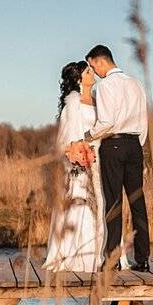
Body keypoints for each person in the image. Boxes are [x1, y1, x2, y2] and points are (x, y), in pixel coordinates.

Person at [68, 44, 150, 272]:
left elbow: (107, 122)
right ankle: (143, 259)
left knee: (113, 203)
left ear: (100, 61)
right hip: (135, 145)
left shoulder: (106, 86)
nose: (94, 71)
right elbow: (144, 122)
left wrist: (87, 135)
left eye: (92, 66)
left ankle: (112, 260)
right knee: (137, 202)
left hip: (113, 145)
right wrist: (137, 144)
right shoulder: (136, 83)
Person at [43, 61, 106, 272]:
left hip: (99, 159)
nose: (92, 73)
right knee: (79, 204)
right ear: (80, 79)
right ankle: (74, 254)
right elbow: (64, 139)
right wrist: (76, 154)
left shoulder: (98, 101)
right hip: (79, 162)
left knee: (99, 204)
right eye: (88, 72)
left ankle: (99, 253)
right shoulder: (72, 104)